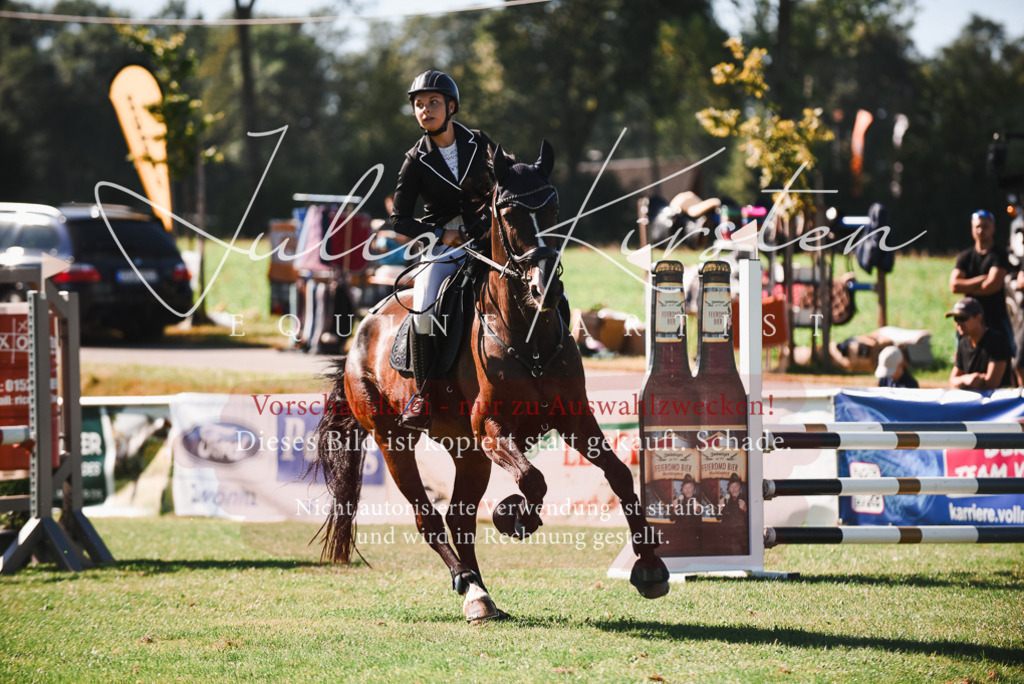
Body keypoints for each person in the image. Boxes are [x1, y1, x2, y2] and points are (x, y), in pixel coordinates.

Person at [390, 70, 497, 431]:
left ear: (451, 106)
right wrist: (440, 232)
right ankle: (422, 394)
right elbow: (399, 220)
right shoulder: (414, 160)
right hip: (443, 247)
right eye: (419, 105)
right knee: (423, 307)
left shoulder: (479, 142)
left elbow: (505, 182)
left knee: (535, 277)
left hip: (487, 239)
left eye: (433, 102)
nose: (425, 110)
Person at [950, 210, 1013, 350]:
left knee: (1004, 354)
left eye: (985, 226)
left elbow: (992, 286)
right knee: (965, 355)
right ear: (972, 229)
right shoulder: (965, 256)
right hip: (968, 318)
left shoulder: (999, 255)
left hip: (995, 318)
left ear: (993, 229)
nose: (981, 230)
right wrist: (980, 280)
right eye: (977, 226)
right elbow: (954, 286)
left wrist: (966, 285)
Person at [948, 297, 1013, 390]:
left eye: (962, 318)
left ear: (978, 317)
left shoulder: (997, 341)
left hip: (1000, 402)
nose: (958, 323)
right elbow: (952, 381)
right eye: (956, 318)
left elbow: (991, 384)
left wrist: (961, 381)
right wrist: (967, 379)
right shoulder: (963, 341)